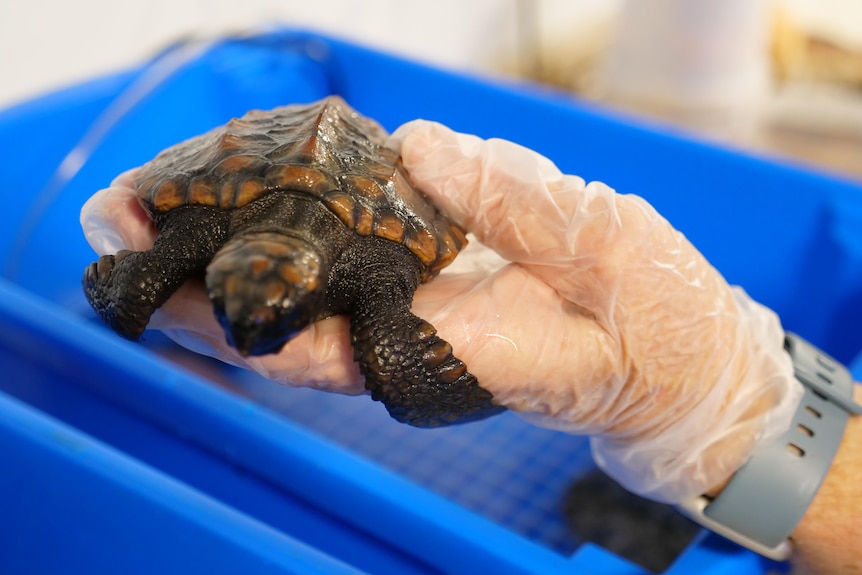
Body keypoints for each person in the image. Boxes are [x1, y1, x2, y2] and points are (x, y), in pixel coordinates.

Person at [81, 119, 861, 573]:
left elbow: (403, 356)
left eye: (270, 304)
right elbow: (134, 272)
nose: (254, 322)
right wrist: (127, 286)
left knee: (393, 363)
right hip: (249, 186)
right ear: (220, 258)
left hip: (356, 214)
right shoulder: (209, 224)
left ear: (313, 278)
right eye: (233, 294)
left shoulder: (373, 262)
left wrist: (711, 395)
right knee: (136, 290)